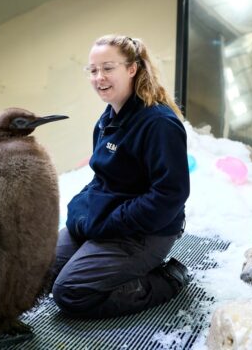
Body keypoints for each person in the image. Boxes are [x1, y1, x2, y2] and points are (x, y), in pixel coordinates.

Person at [50, 35, 191, 319]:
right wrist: (80, 210)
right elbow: (102, 179)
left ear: (132, 69)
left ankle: (166, 280)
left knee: (71, 292)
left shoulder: (159, 124)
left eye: (108, 68)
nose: (99, 77)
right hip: (111, 222)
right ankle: (108, 264)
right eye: (93, 70)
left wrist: (109, 223)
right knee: (37, 268)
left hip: (148, 230)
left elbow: (169, 196)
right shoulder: (107, 120)